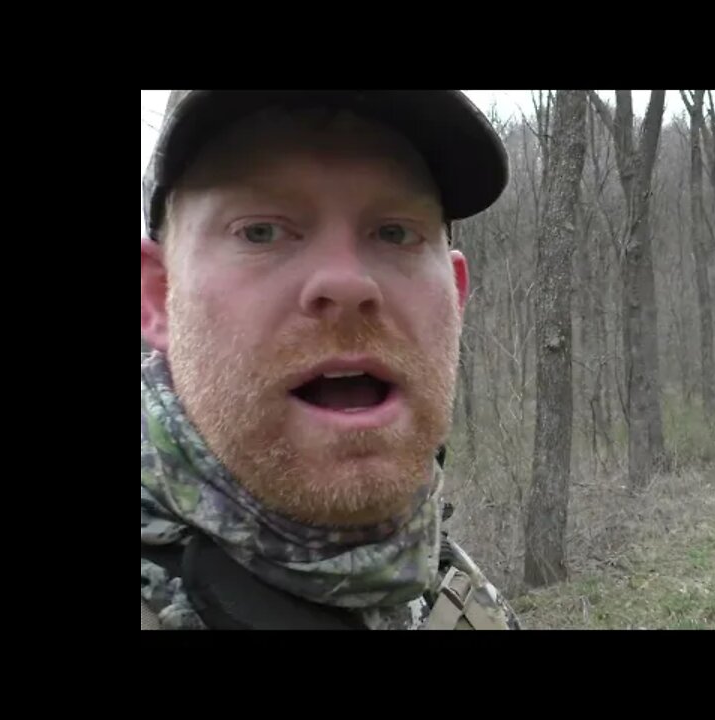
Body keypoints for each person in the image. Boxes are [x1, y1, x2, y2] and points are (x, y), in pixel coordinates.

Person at [140, 91, 520, 630]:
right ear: (159, 297)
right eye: (261, 231)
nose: (347, 282)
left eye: (394, 232)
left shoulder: (448, 587)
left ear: (456, 299)